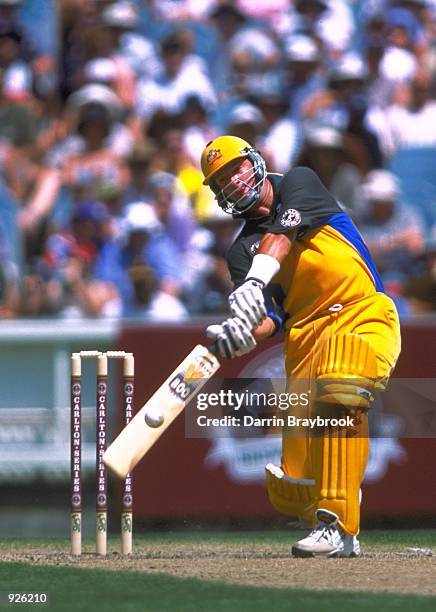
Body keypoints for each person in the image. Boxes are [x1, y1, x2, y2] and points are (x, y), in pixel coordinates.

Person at [200, 135, 401, 557]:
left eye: (234, 168)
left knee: (341, 383)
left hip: (361, 313)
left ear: (255, 161)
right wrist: (239, 336)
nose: (232, 182)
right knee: (293, 488)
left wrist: (255, 281)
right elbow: (272, 318)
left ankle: (338, 524)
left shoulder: (299, 182)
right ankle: (332, 497)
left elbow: (283, 233)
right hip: (304, 344)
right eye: (220, 181)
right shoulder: (240, 252)